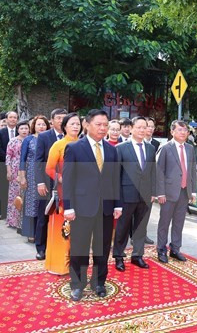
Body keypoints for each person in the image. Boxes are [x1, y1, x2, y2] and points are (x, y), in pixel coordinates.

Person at [62, 109, 120, 301]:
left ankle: (98, 283)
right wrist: (68, 207)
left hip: (105, 208)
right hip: (81, 208)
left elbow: (115, 179)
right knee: (79, 247)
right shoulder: (75, 148)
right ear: (87, 124)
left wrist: (117, 204)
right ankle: (77, 284)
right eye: (99, 124)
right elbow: (68, 180)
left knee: (102, 248)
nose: (103, 128)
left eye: (105, 125)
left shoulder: (112, 150)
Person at [113, 116, 156, 272]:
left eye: (145, 127)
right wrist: (116, 198)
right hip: (126, 194)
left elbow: (153, 172)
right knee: (123, 227)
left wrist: (153, 191)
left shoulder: (151, 149)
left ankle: (137, 256)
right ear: (131, 128)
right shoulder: (121, 148)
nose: (142, 130)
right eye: (138, 127)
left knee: (140, 227)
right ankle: (118, 256)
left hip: (145, 196)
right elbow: (115, 176)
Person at [155, 120, 197, 263]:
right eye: (179, 130)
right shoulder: (165, 147)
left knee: (179, 223)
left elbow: (192, 171)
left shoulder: (190, 149)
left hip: (184, 192)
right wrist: (160, 193)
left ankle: (175, 249)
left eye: (185, 130)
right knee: (164, 223)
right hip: (168, 192)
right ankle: (161, 249)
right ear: (172, 132)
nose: (183, 133)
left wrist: (193, 191)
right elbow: (158, 171)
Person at [45, 113, 81, 275]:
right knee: (62, 229)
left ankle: (76, 263)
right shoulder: (58, 145)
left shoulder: (83, 144)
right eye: (72, 124)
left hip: (81, 193)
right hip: (63, 193)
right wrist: (62, 179)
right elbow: (49, 168)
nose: (75, 126)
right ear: (65, 126)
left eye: (78, 124)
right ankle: (59, 265)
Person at [35, 108, 67, 260]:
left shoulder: (73, 137)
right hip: (47, 183)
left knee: (64, 216)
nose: (61, 121)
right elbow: (39, 161)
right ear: (52, 120)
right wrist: (40, 182)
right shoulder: (44, 137)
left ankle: (61, 247)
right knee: (44, 215)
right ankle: (41, 248)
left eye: (64, 118)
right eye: (58, 118)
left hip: (67, 185)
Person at [18, 115, 50, 242]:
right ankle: (31, 232)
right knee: (32, 203)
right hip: (31, 174)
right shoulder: (29, 140)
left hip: (45, 173)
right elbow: (22, 159)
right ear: (34, 126)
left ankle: (43, 232)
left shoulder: (49, 139)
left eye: (43, 124)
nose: (41, 127)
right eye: (38, 124)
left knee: (43, 202)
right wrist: (22, 177)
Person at [6, 120, 30, 229]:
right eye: (22, 128)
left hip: (28, 169)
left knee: (26, 195)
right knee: (14, 196)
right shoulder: (13, 141)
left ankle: (23, 221)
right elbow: (8, 157)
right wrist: (9, 171)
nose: (24, 130)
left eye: (26, 128)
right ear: (18, 129)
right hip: (15, 169)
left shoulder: (31, 140)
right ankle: (13, 221)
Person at [0, 111, 18, 220]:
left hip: (18, 166)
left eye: (15, 117)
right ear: (6, 119)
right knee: (3, 188)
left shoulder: (21, 131)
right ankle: (3, 212)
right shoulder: (0, 132)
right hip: (3, 164)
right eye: (11, 117)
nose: (13, 119)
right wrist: (9, 160)